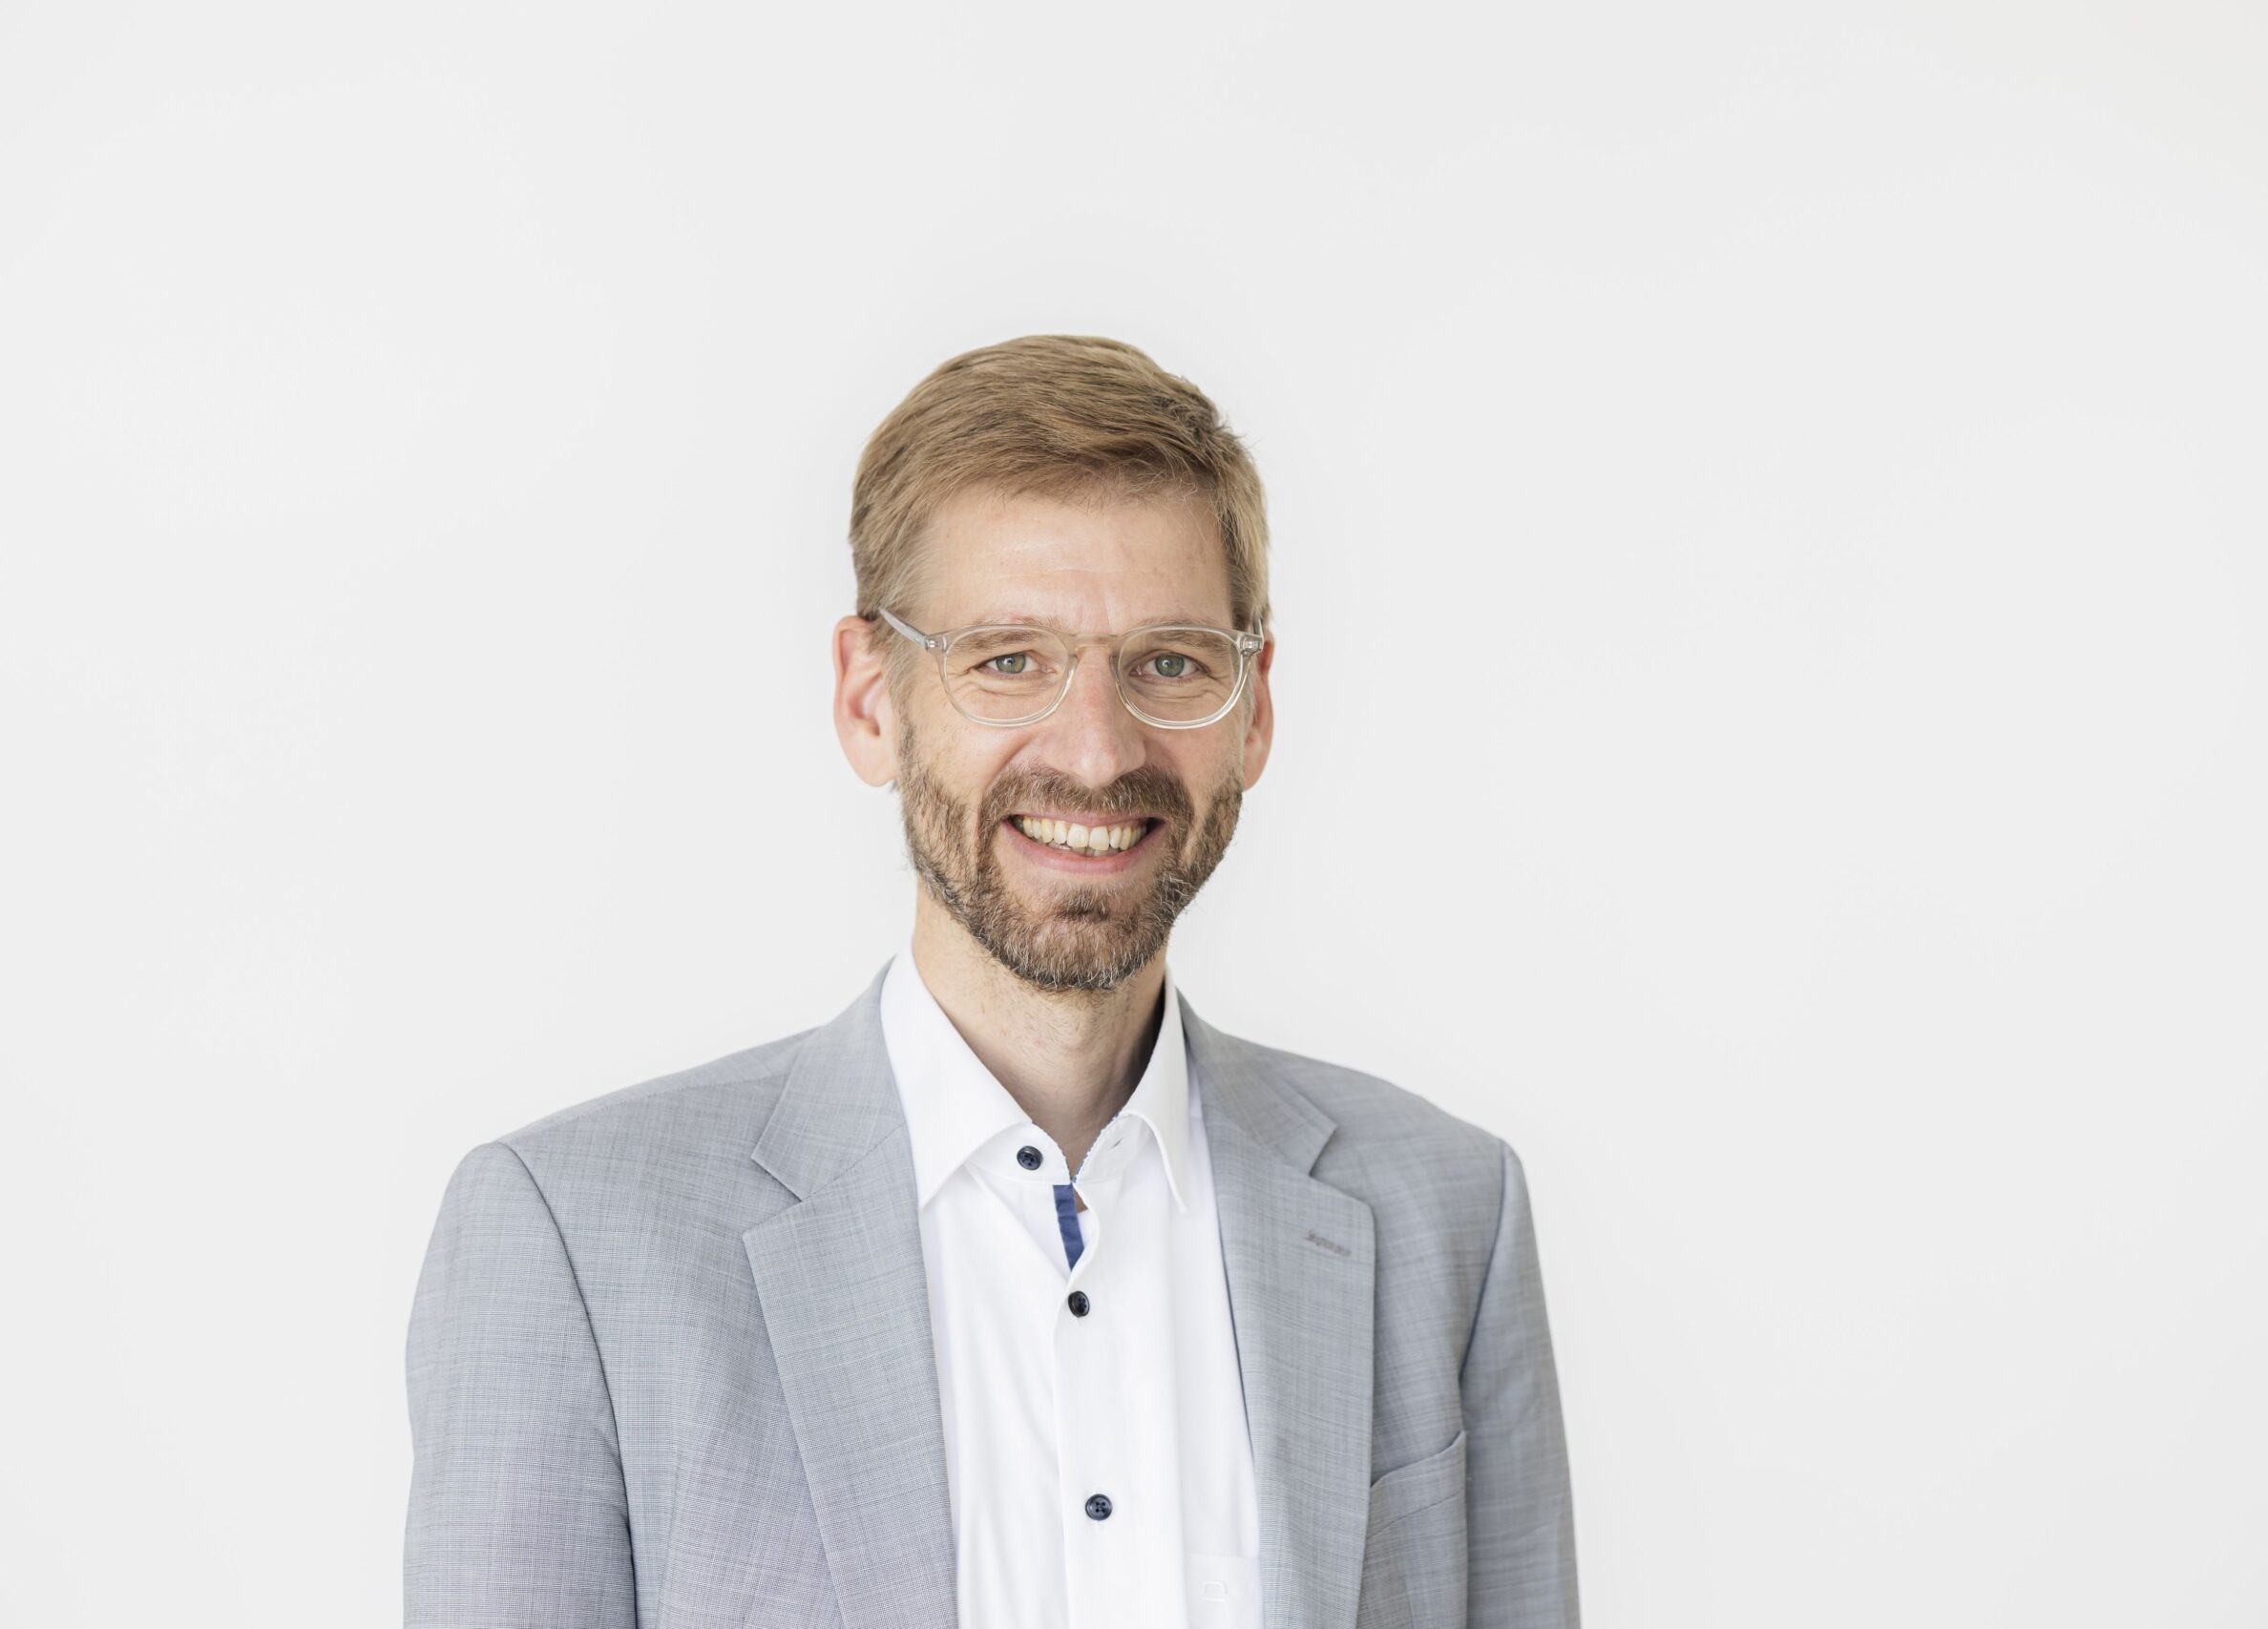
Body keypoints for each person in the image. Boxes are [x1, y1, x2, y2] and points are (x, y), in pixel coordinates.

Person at [403, 334, 1579, 1628]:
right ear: (872, 700)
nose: (1098, 751)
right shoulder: (573, 1240)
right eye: (1009, 658)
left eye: (1171, 661)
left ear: (1253, 708)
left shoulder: (1447, 1217)